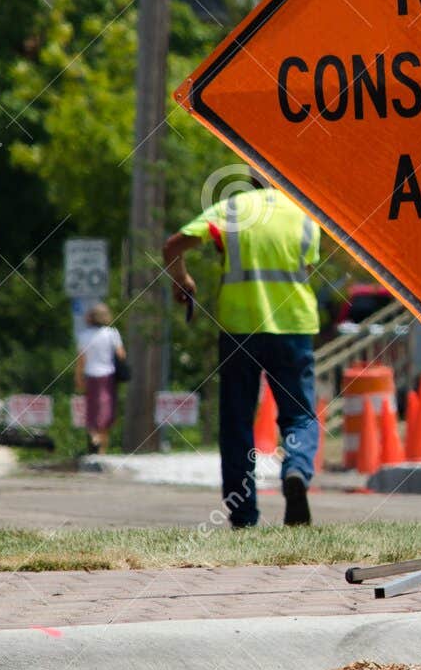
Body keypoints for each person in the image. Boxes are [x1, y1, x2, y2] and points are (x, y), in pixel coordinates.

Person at [163, 173, 321, 528]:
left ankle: (243, 513)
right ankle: (296, 470)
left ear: (250, 179)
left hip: (239, 329)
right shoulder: (305, 213)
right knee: (299, 416)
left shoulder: (232, 208)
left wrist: (182, 279)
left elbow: (173, 245)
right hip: (293, 329)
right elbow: (307, 267)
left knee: (237, 422)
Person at [75, 302, 125, 455]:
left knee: (91, 408)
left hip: (90, 375)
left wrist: (78, 379)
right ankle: (102, 449)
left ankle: (93, 436)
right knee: (106, 409)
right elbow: (122, 355)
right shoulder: (112, 333)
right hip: (108, 375)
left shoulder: (84, 336)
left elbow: (81, 360)